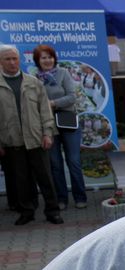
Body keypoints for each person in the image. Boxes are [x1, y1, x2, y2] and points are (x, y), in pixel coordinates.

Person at [0, 45, 62, 226]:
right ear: (0, 62)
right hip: (12, 141)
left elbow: (44, 111)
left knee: (46, 178)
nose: (12, 62)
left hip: (36, 139)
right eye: (7, 59)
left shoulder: (33, 82)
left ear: (19, 60)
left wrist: (48, 133)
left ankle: (53, 211)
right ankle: (27, 211)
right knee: (21, 180)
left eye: (14, 59)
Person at [33, 44, 87, 210]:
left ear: (54, 58)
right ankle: (61, 198)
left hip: (68, 122)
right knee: (55, 164)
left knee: (74, 161)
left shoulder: (63, 73)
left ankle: (80, 197)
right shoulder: (34, 79)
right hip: (48, 125)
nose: (47, 60)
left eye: (50, 57)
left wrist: (52, 103)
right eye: (43, 58)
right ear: (38, 61)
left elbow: (72, 97)